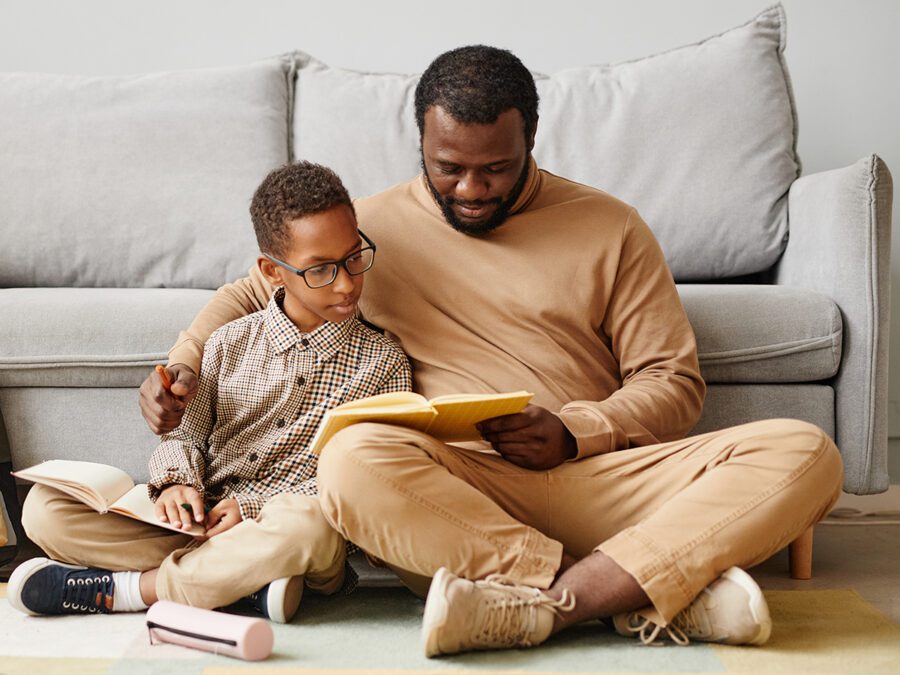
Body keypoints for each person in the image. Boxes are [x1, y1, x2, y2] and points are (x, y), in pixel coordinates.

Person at [139, 46, 843, 654]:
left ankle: (548, 604)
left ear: (531, 139)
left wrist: (575, 430)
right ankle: (636, 590)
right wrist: (183, 366)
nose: (472, 190)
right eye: (449, 168)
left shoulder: (611, 226)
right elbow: (248, 292)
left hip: (600, 477)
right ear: (419, 140)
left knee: (805, 452)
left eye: (496, 170)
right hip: (451, 496)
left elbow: (673, 381)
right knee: (351, 459)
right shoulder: (369, 228)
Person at [9, 161, 411, 623]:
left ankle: (133, 590)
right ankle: (243, 587)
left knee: (309, 525)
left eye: (353, 258)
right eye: (319, 270)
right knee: (44, 507)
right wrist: (178, 484)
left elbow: (361, 483)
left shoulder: (384, 364)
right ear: (271, 271)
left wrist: (252, 507)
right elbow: (185, 436)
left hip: (292, 529)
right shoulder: (226, 342)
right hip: (201, 526)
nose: (346, 283)